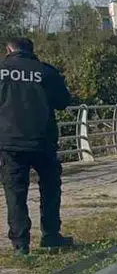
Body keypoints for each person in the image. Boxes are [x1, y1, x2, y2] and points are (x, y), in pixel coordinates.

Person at [0, 37, 74, 254]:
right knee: (50, 188)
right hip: (43, 141)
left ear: (9, 50)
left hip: (9, 142)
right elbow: (63, 102)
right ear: (32, 50)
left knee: (15, 193)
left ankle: (20, 245)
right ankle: (51, 236)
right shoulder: (46, 72)